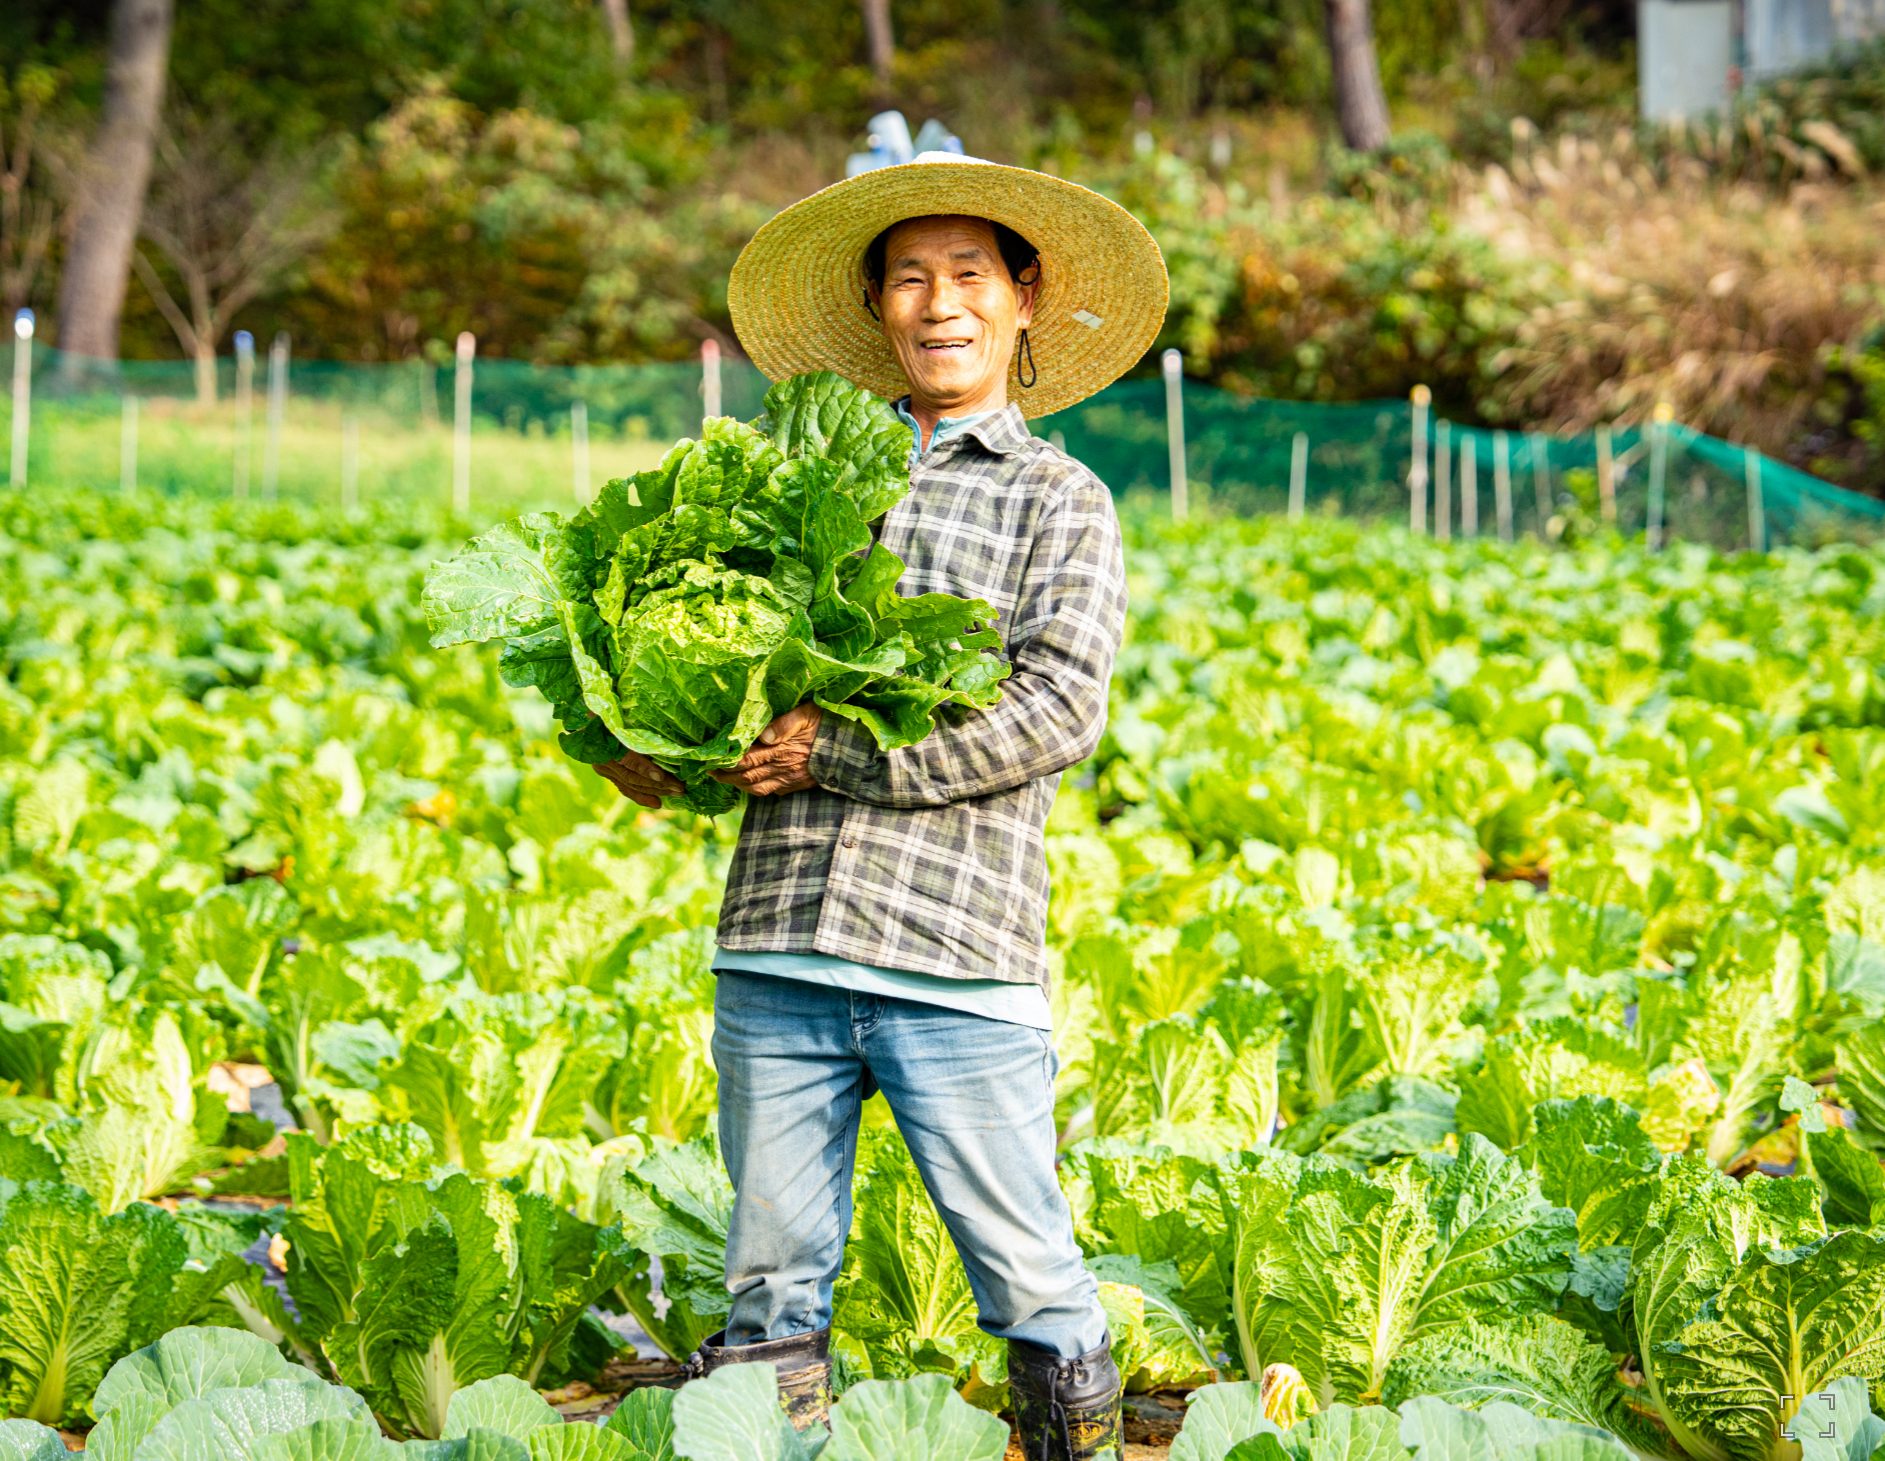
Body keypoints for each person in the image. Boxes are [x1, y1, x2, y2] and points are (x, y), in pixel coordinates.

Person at [593, 151, 1168, 1461]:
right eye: (908, 278)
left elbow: (1054, 714)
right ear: (876, 307)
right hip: (776, 940)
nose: (938, 303)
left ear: (1023, 298)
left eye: (968, 273)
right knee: (768, 1281)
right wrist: (649, 740)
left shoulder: (1057, 500)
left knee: (1026, 1272)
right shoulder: (795, 487)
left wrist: (833, 755)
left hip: (952, 953)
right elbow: (727, 677)